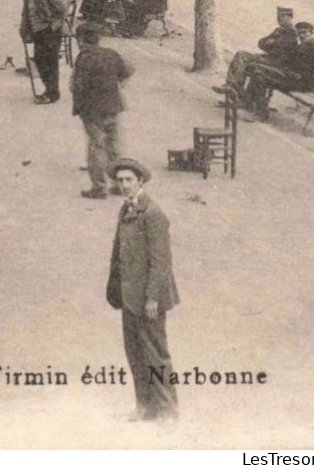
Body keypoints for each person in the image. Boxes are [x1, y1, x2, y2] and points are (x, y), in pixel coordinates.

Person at [106, 157, 180, 422]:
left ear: (140, 181)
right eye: (120, 180)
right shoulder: (125, 210)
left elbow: (161, 262)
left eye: (129, 180)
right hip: (129, 296)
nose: (124, 185)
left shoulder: (153, 214)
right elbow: (119, 254)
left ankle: (168, 411)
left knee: (156, 354)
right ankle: (145, 407)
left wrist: (152, 298)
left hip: (149, 298)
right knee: (135, 353)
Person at [73, 22, 133, 200]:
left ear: (81, 40)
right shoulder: (111, 54)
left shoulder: (83, 58)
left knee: (96, 146)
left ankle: (99, 187)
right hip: (113, 105)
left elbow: (78, 85)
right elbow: (128, 71)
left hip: (92, 109)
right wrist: (116, 83)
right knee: (114, 146)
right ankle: (119, 184)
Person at [220, 6, 299, 116]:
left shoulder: (292, 33)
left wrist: (271, 43)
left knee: (250, 64)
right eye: (278, 16)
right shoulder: (279, 30)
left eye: (282, 16)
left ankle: (239, 94)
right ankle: (232, 87)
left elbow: (281, 51)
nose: (279, 18)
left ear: (290, 17)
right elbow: (261, 43)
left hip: (277, 64)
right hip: (268, 58)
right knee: (241, 54)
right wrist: (271, 43)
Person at [19, 0, 66, 104]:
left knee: (50, 63)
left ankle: (53, 94)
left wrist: (54, 26)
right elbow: (26, 12)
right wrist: (24, 29)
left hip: (50, 32)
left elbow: (63, 8)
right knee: (40, 61)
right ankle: (49, 90)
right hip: (37, 32)